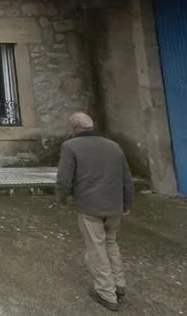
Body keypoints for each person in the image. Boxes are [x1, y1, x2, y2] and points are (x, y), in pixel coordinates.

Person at [56, 112, 134, 312]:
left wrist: (62, 198)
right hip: (114, 205)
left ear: (75, 127)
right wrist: (127, 203)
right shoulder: (113, 146)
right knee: (111, 243)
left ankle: (106, 293)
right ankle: (119, 284)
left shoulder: (70, 146)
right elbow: (126, 177)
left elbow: (64, 178)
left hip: (90, 206)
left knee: (96, 248)